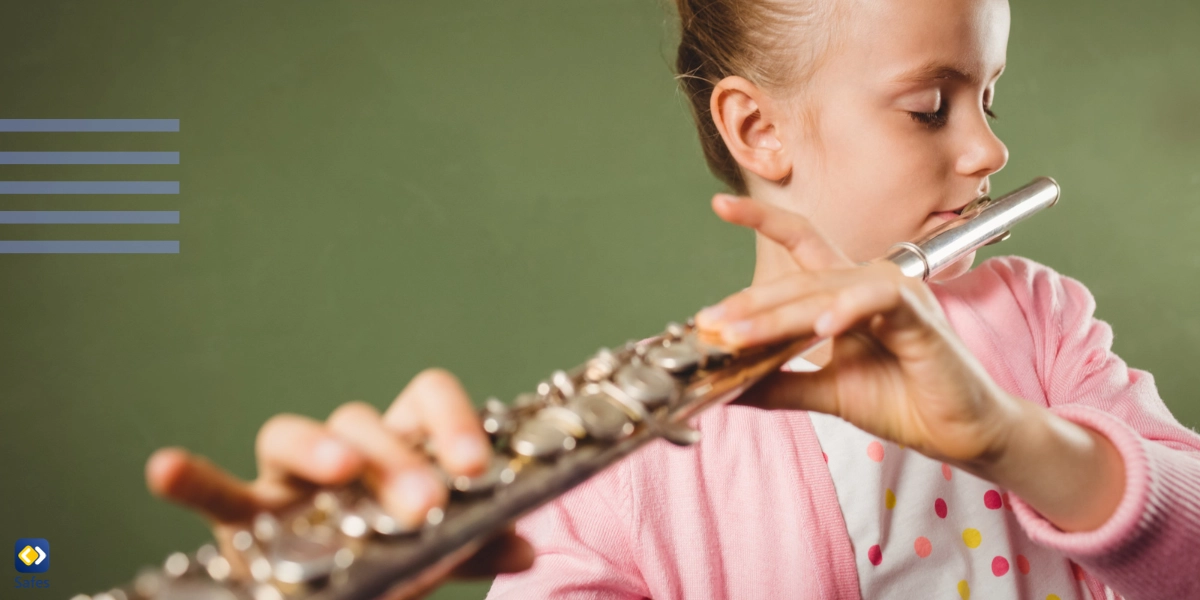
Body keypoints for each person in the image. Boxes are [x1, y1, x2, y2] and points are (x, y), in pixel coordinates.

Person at [144, 0, 1200, 597]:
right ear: (759, 132)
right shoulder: (632, 471)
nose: (988, 147)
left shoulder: (1037, 321)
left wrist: (1014, 441)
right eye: (929, 108)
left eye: (988, 95)